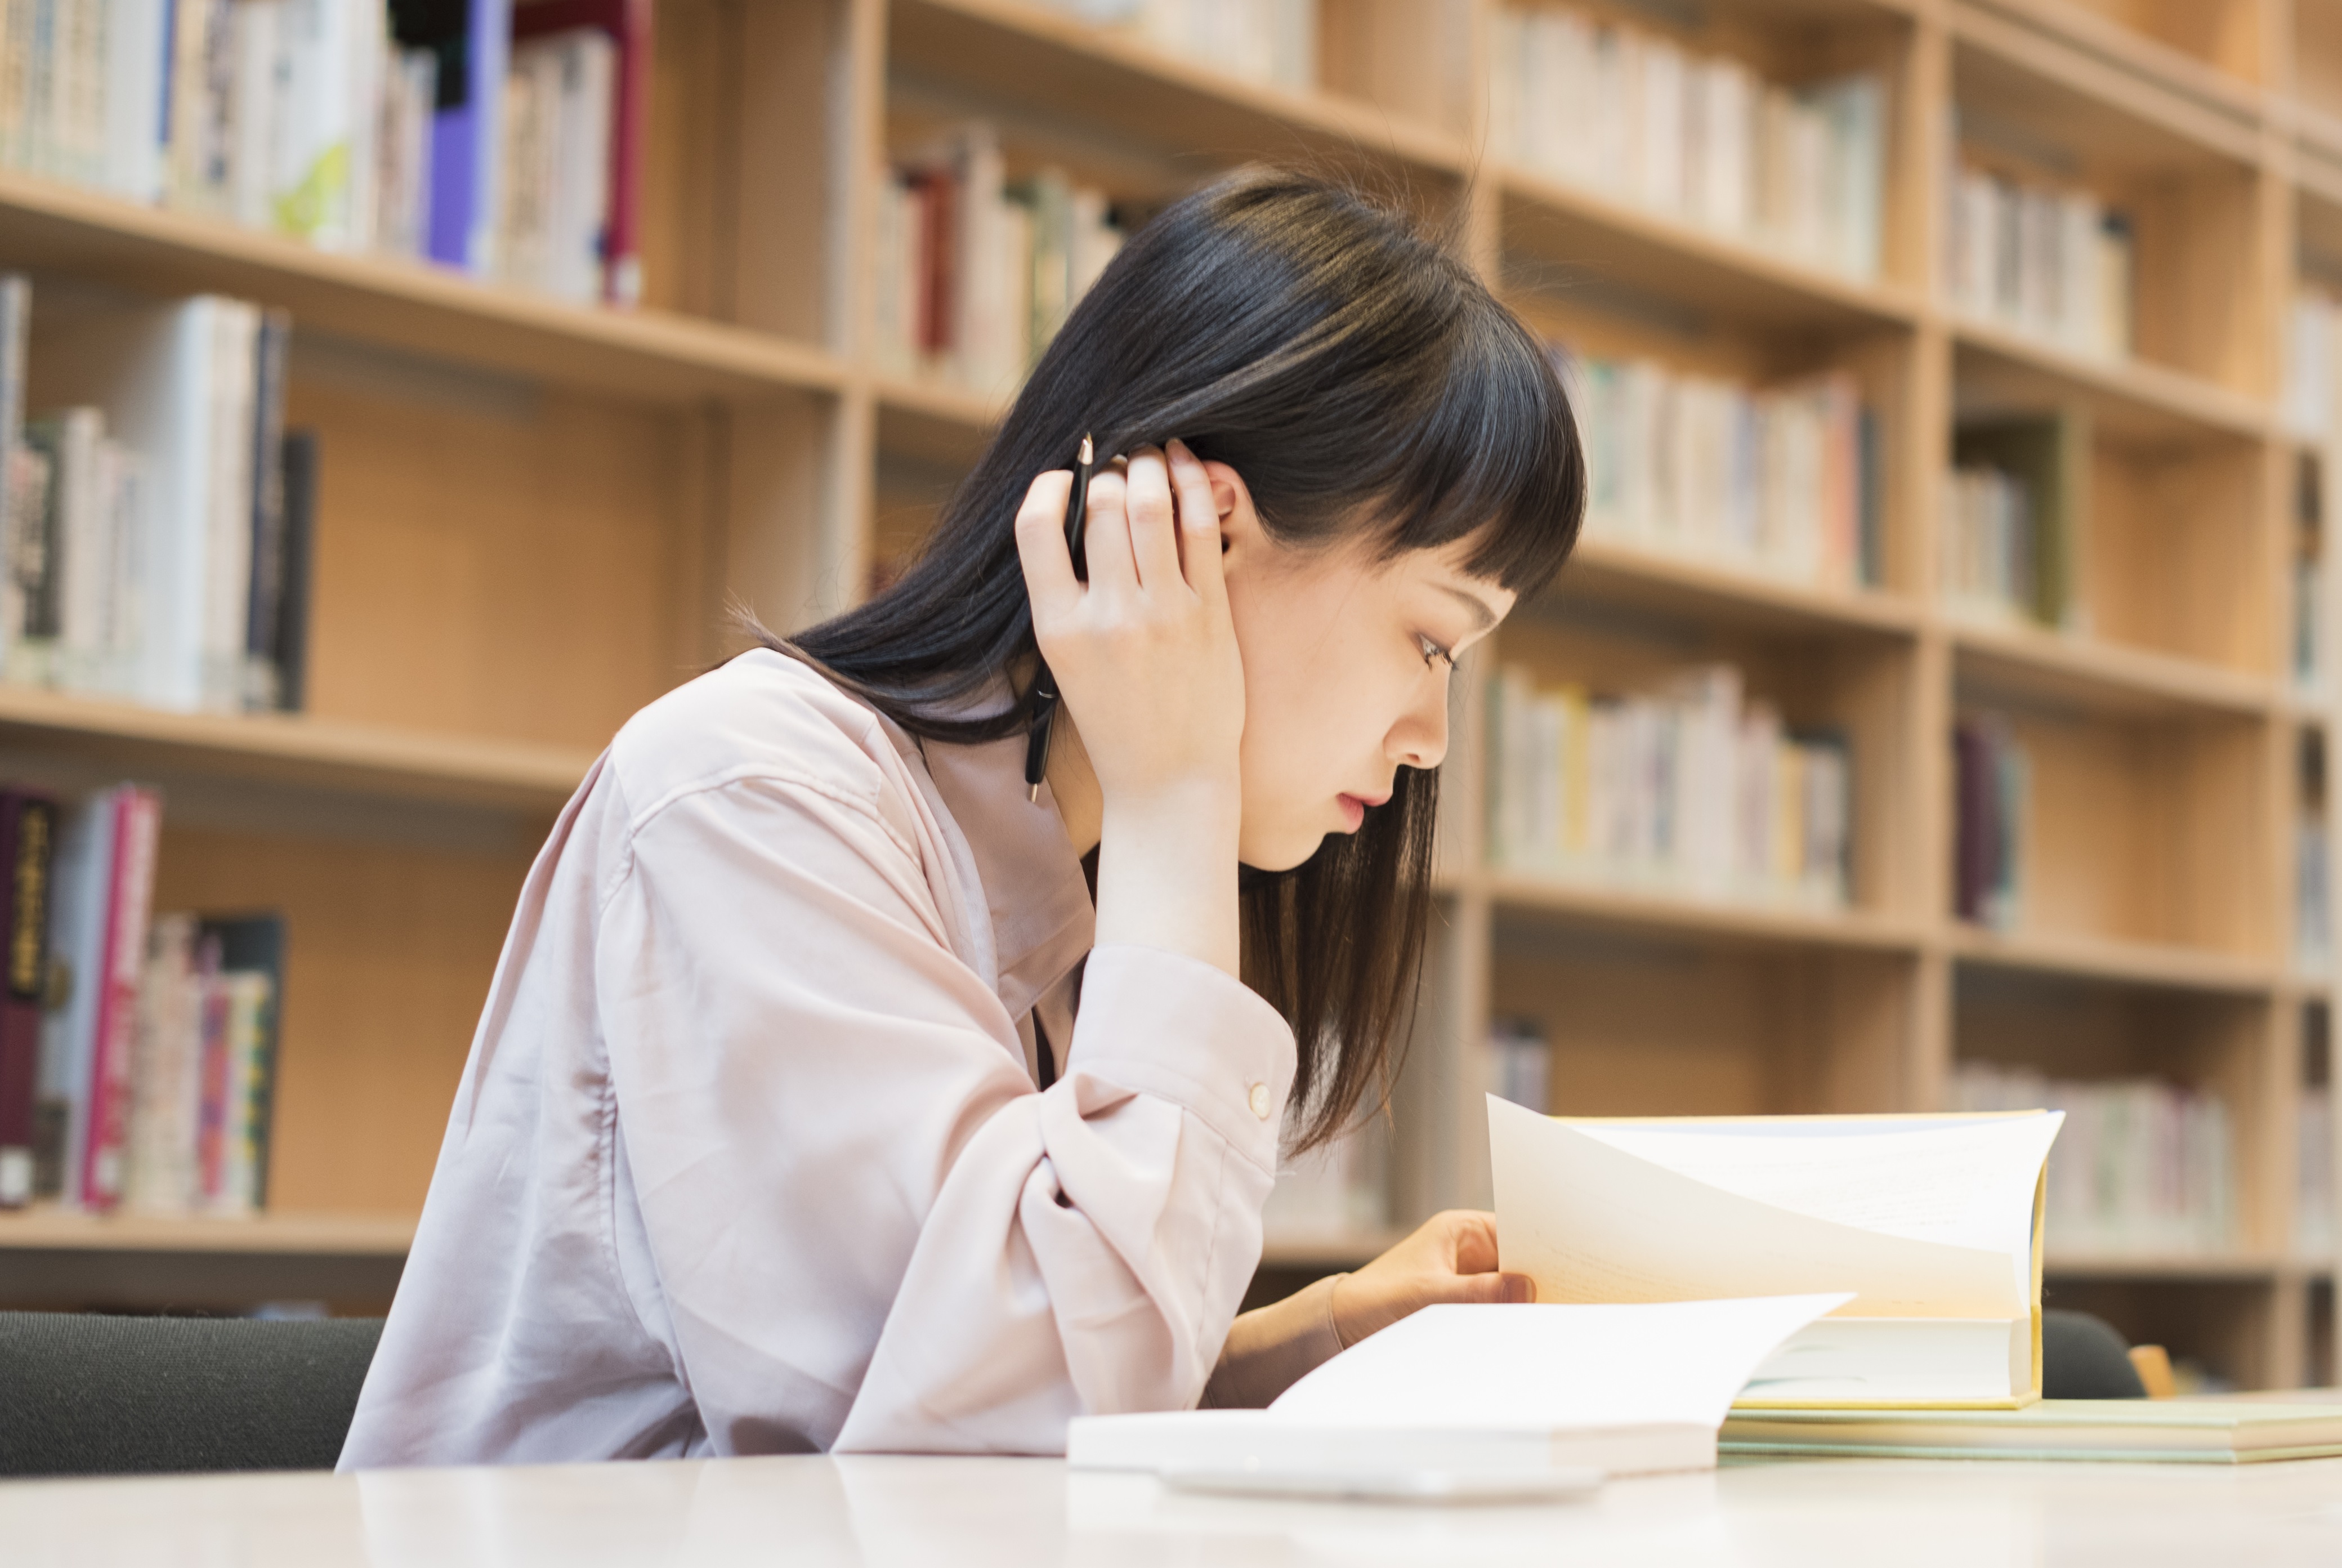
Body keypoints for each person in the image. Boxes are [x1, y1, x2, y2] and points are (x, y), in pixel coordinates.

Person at [341, 168, 1582, 1466]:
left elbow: (1003, 1392)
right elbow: (992, 1439)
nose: (1430, 739)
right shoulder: (753, 798)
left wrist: (1313, 1339)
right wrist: (1175, 789)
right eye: (1434, 643)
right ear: (1202, 534)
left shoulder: (1060, 875)